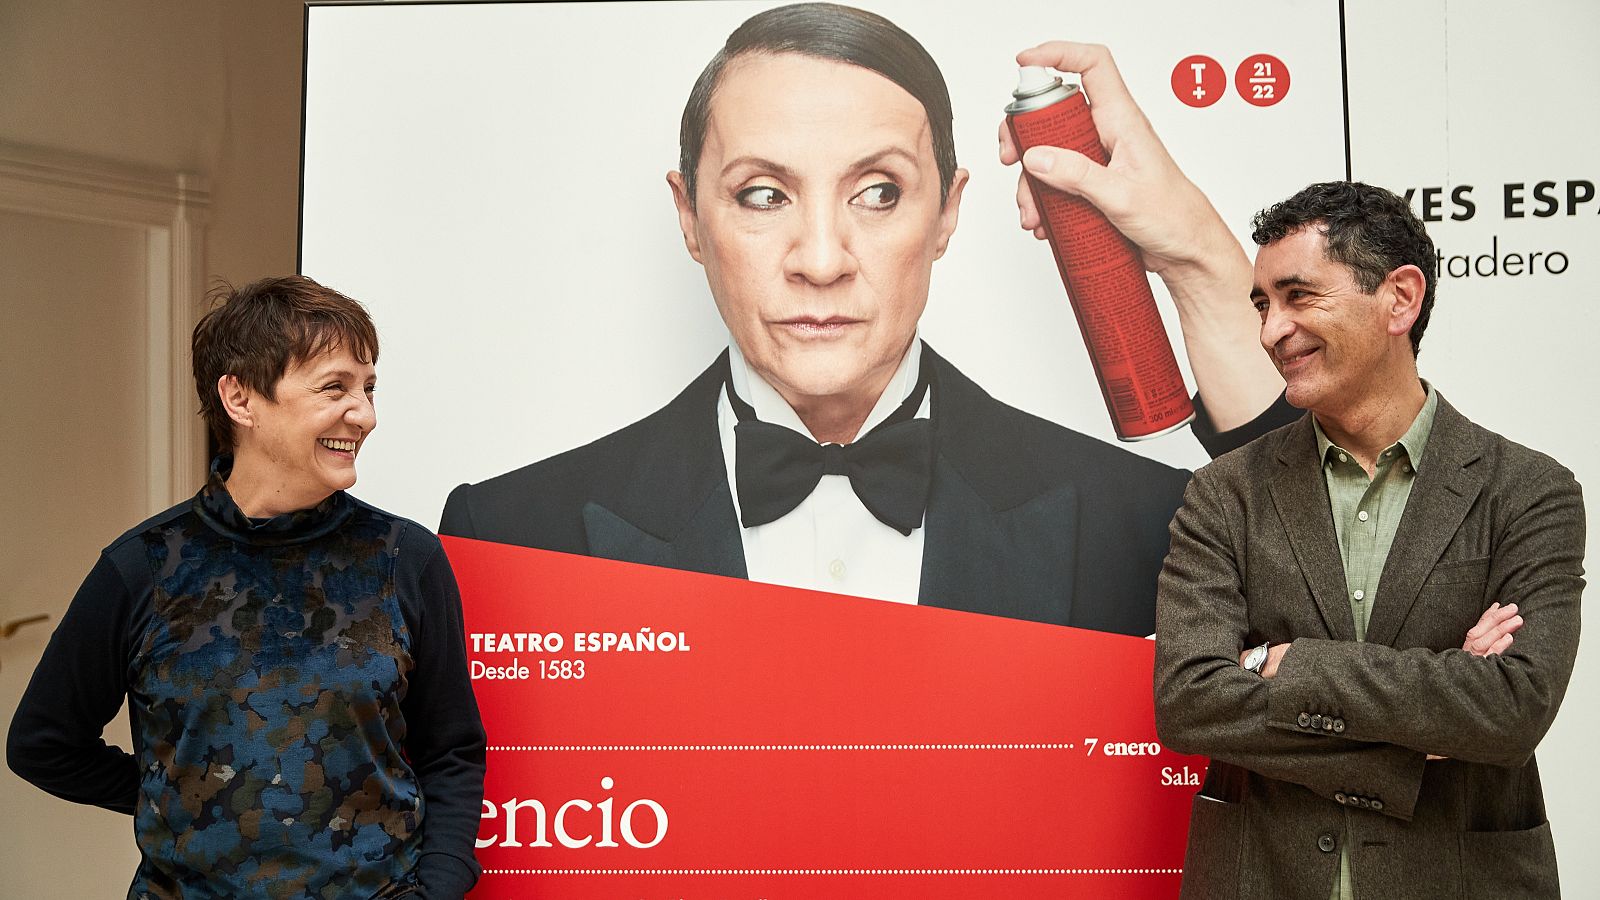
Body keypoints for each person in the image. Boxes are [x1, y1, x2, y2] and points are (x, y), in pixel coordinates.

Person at [440, 2, 1295, 636]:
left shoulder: (1148, 524)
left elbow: (1361, 655)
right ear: (690, 219)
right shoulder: (515, 540)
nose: (820, 258)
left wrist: (1201, 261)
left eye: (878, 192)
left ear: (949, 214)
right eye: (763, 195)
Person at [1154, 182, 1584, 899]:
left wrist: (1279, 664)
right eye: (1263, 304)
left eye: (1298, 296)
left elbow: (1512, 710)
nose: (1271, 331)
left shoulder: (1529, 489)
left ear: (1400, 299)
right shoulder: (1224, 493)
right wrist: (1421, 735)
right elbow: (1191, 701)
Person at [7, 277, 487, 899]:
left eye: (369, 389)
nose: (365, 414)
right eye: (334, 387)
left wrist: (439, 890)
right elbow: (44, 744)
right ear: (239, 397)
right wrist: (185, 799)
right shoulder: (143, 567)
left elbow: (451, 751)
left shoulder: (406, 558)